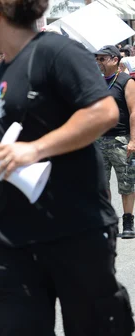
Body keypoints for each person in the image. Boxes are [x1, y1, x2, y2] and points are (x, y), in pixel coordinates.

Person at [0, 0, 134, 336]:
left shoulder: (55, 52)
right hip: (10, 240)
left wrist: (34, 149)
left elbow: (101, 112)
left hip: (74, 229)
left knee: (106, 334)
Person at [94, 45, 135, 239]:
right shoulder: (99, 81)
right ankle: (109, 221)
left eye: (102, 59)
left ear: (115, 60)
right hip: (101, 139)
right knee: (102, 183)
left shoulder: (127, 82)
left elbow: (134, 112)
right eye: (97, 59)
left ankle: (128, 220)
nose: (99, 62)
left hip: (121, 139)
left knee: (126, 183)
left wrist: (133, 140)